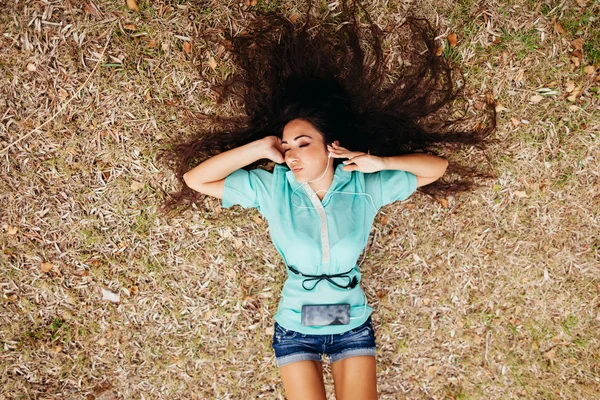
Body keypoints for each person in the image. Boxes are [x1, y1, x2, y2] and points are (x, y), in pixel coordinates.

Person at [162, 1, 495, 399]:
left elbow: (435, 168)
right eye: (286, 146)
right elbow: (196, 179)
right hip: (295, 329)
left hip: (351, 324)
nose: (292, 154)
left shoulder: (364, 185)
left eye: (303, 143)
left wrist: (381, 162)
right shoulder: (272, 188)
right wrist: (258, 148)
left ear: (330, 145)